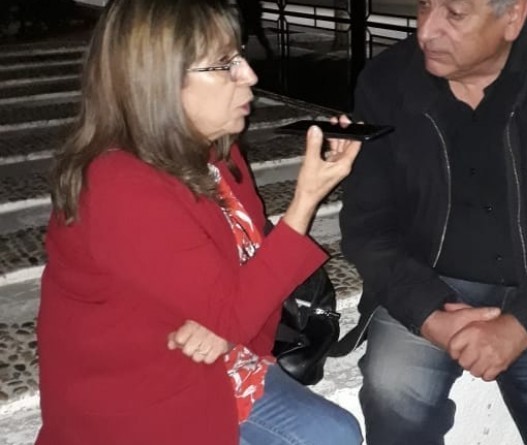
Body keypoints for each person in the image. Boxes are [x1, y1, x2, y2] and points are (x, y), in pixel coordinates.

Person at [36, 1, 362, 444]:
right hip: (142, 399)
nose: (250, 75)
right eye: (225, 64)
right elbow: (233, 308)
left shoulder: (216, 153)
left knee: (335, 434)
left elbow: (244, 281)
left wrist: (223, 326)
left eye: (240, 55)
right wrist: (305, 201)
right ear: (159, 80)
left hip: (219, 365)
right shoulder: (117, 184)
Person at [339, 0, 527, 443]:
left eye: (455, 14)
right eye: (424, 6)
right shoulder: (387, 81)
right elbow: (367, 226)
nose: (426, 32)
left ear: (514, 15)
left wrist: (520, 326)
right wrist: (428, 315)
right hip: (426, 280)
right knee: (392, 386)